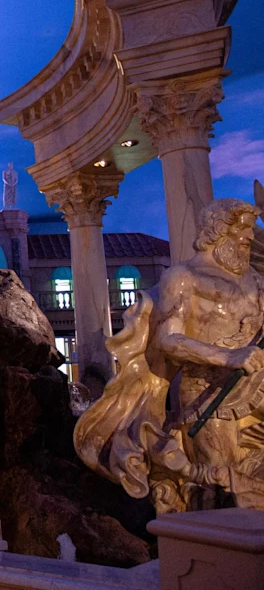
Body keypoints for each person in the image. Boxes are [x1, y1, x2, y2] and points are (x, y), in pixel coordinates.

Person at [75, 198, 264, 512]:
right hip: (208, 394)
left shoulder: (256, 281)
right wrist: (226, 357)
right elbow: (167, 339)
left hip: (257, 386)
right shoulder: (183, 278)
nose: (249, 237)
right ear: (218, 230)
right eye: (242, 229)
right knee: (222, 489)